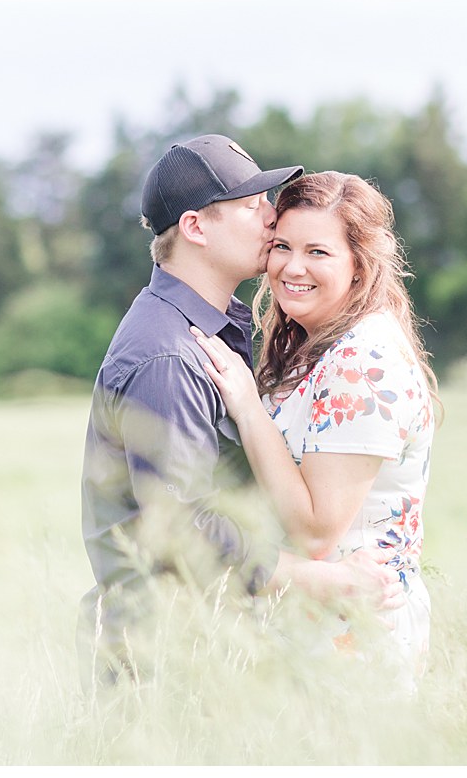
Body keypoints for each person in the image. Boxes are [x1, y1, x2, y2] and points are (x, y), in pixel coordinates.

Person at [79, 137, 404, 686]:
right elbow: (181, 528)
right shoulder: (168, 355)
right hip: (164, 660)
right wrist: (320, 581)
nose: (271, 215)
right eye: (251, 204)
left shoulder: (208, 331)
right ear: (196, 228)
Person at [189, 170, 437, 682]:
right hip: (308, 629)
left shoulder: (363, 361)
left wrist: (246, 404)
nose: (292, 267)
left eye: (318, 252)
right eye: (282, 245)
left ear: (359, 265)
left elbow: (317, 529)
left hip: (351, 640)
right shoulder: (316, 346)